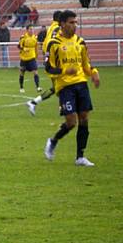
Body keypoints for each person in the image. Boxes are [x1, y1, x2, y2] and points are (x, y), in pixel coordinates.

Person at [43, 10, 100, 167]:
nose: (74, 25)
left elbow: (86, 64)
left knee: (84, 118)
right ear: (62, 24)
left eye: (75, 22)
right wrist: (64, 71)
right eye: (71, 22)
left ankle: (80, 157)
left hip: (81, 84)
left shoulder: (80, 42)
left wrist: (94, 73)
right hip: (65, 87)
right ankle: (53, 141)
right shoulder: (53, 43)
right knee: (71, 121)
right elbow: (47, 68)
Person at [18, 24, 41, 93]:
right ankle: (21, 87)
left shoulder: (35, 38)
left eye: (32, 29)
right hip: (24, 58)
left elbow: (36, 47)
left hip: (32, 58)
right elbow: (19, 46)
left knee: (35, 72)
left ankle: (38, 87)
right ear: (27, 30)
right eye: (30, 29)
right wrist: (24, 49)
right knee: (22, 73)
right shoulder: (23, 37)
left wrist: (36, 55)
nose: (32, 31)